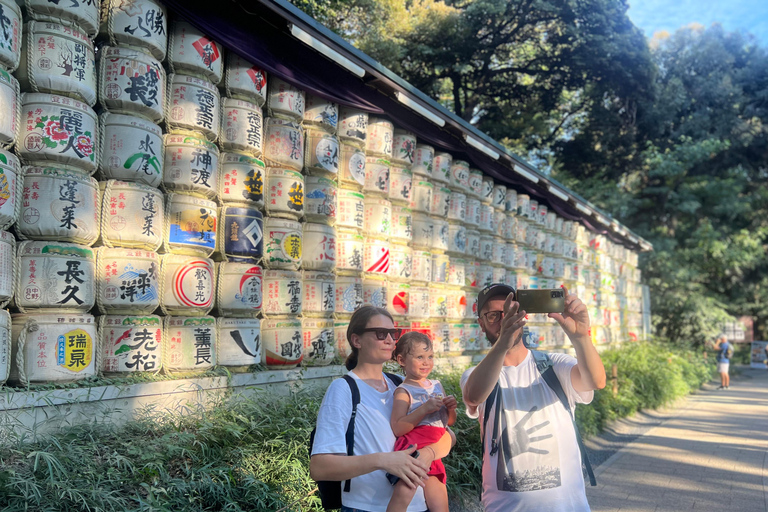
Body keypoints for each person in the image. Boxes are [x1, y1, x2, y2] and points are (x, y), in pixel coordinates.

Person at [461, 283, 606, 512]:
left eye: (509, 312)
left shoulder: (553, 365)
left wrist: (581, 337)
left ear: (523, 316)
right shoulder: (476, 374)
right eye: (493, 316)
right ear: (481, 323)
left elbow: (595, 381)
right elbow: (474, 395)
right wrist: (503, 342)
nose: (503, 320)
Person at [310, 305, 454, 512]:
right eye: (380, 333)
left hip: (420, 505)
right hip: (366, 507)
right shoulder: (343, 389)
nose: (390, 340)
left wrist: (428, 454)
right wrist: (383, 461)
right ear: (356, 340)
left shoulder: (403, 385)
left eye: (393, 333)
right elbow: (320, 467)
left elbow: (448, 435)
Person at [387, 332, 458, 512]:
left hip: (435, 449)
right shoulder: (403, 391)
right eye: (420, 357)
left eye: (430, 356)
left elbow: (448, 423)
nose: (426, 362)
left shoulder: (436, 385)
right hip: (415, 448)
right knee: (404, 494)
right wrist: (424, 409)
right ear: (402, 360)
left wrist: (451, 408)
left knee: (440, 501)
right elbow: (398, 427)